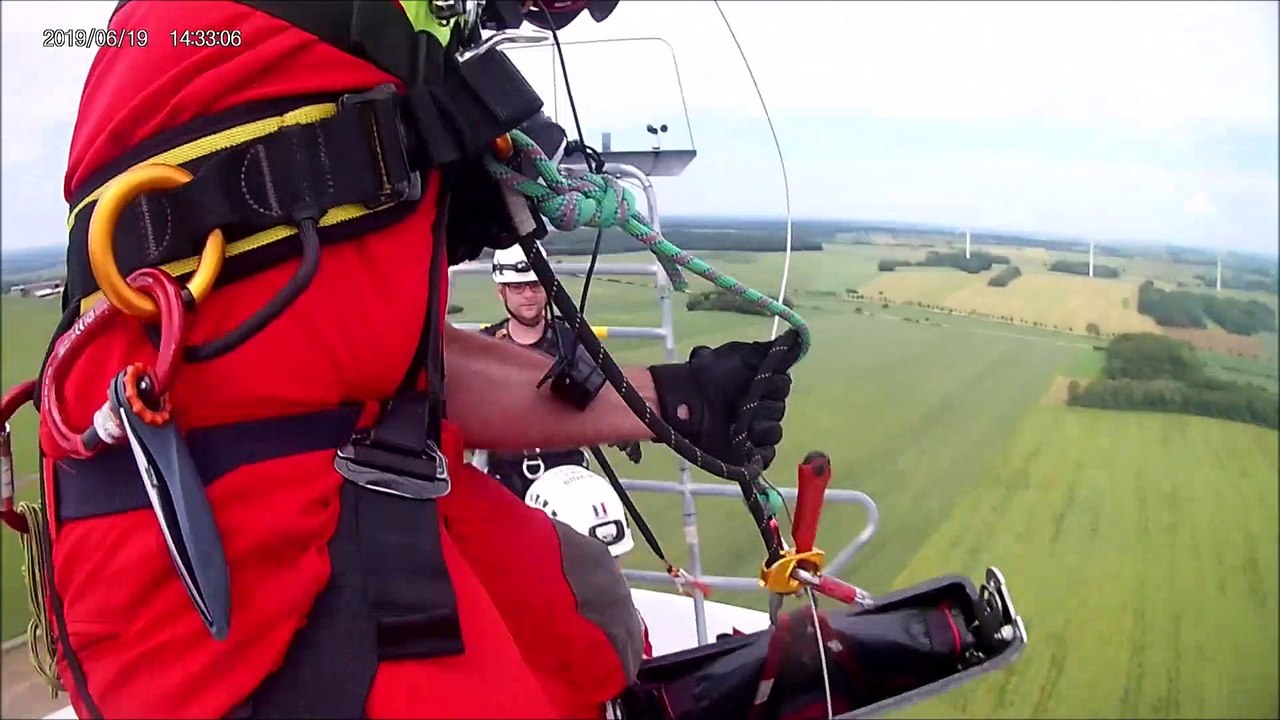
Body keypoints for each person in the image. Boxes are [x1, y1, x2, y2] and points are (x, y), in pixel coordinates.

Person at [38, 2, 801, 719]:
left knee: (591, 609)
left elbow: (395, 366)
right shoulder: (266, 52)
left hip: (340, 486)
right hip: (227, 603)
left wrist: (672, 402)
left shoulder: (318, 75)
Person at [479, 242, 644, 498]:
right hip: (505, 479)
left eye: (535, 284)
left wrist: (619, 427)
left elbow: (602, 395)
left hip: (567, 474)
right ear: (502, 292)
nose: (528, 294)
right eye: (517, 286)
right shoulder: (485, 349)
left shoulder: (572, 343)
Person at [523, 465, 653, 659]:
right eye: (593, 565)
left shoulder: (630, 624)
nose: (608, 577)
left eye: (613, 560)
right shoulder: (530, 631)